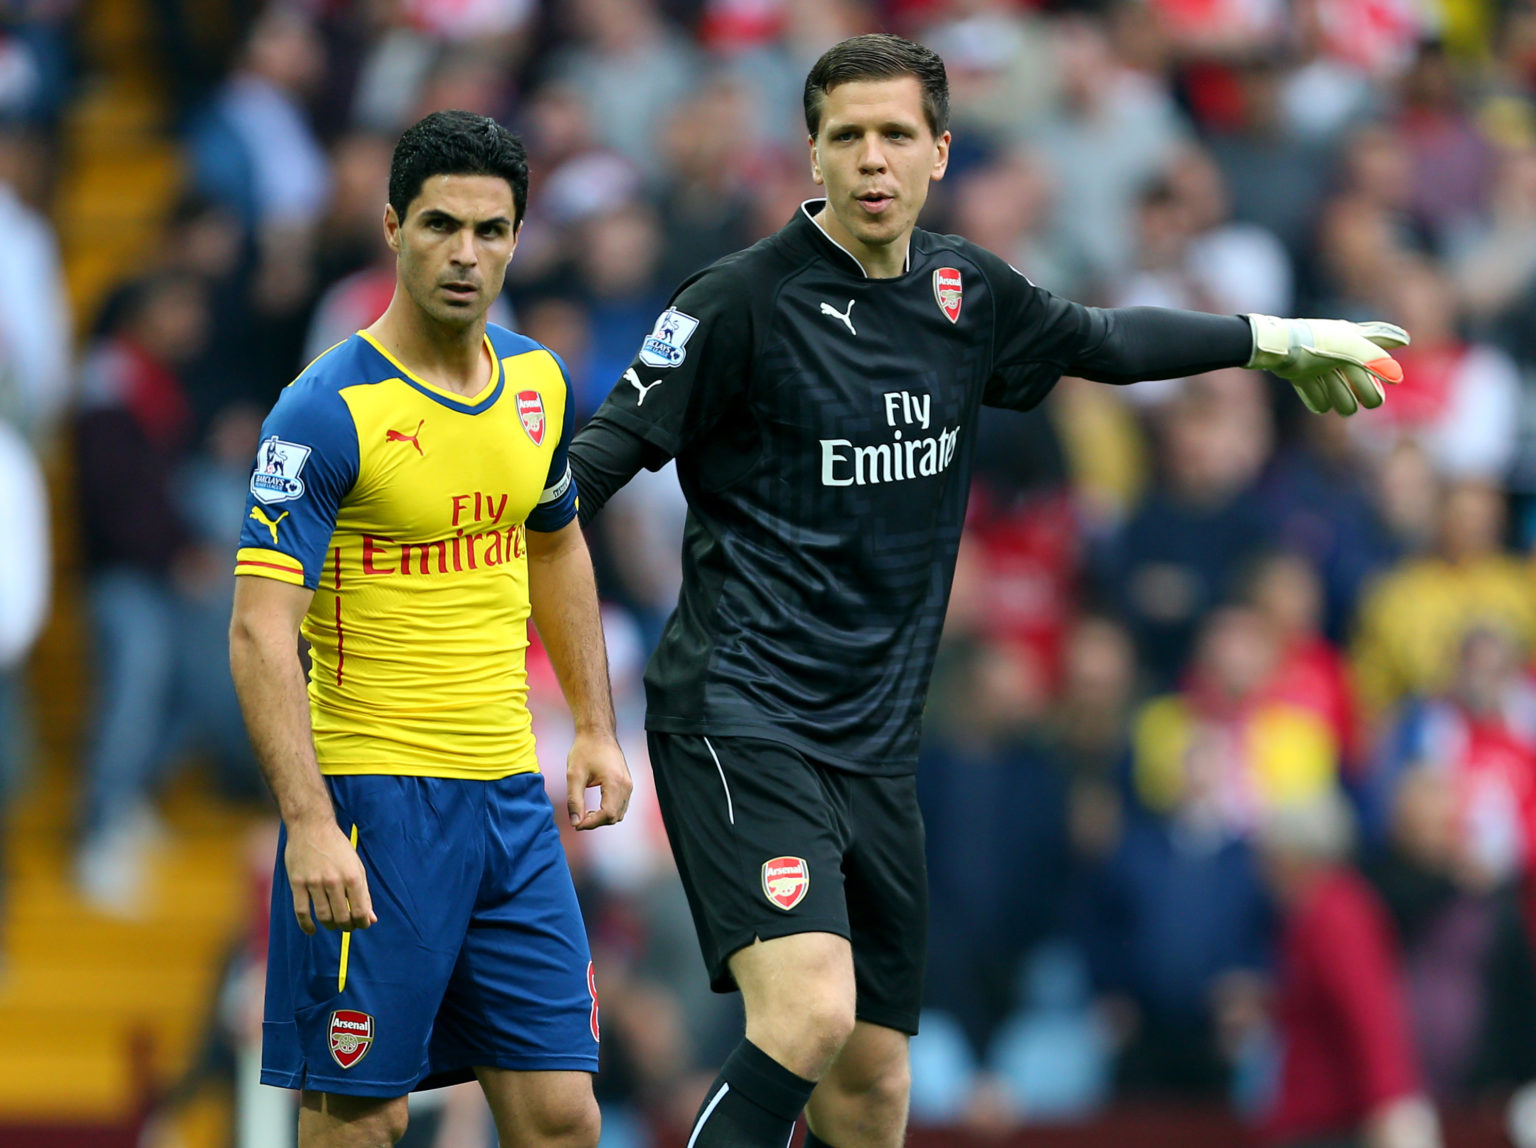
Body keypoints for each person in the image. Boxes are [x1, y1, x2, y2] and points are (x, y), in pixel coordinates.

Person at [566, 33, 1411, 1148]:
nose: (872, 159)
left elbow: (1103, 341)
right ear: (809, 156)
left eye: (896, 135)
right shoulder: (735, 305)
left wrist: (1271, 339)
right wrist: (576, 700)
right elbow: (575, 482)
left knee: (871, 1092)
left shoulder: (963, 293)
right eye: (847, 137)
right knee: (809, 1008)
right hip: (742, 713)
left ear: (940, 151)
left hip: (875, 742)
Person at [228, 110, 632, 1148]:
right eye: (441, 225)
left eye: (492, 230)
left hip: (508, 799)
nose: (467, 253)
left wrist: (594, 722)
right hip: (374, 799)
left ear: (518, 238)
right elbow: (259, 629)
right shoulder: (324, 410)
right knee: (363, 1117)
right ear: (393, 226)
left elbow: (554, 543)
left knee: (562, 1112)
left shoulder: (539, 384)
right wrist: (310, 818)